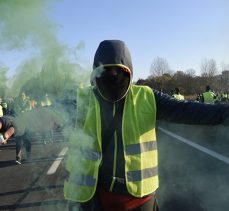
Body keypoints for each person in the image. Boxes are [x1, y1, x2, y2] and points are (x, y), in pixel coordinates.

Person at [64, 40, 229, 211]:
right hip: (96, 198)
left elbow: (187, 110)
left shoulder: (147, 97)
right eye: (106, 73)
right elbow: (54, 110)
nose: (112, 78)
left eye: (118, 73)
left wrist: (224, 113)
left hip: (137, 200)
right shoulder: (82, 99)